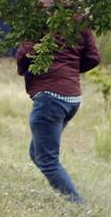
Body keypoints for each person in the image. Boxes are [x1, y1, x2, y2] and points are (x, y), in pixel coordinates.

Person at [17, 18, 100, 203]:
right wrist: (69, 70)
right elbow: (93, 57)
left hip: (50, 98)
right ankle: (66, 196)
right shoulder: (78, 18)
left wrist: (28, 70)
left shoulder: (38, 16)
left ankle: (78, 206)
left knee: (47, 160)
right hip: (72, 98)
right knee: (37, 153)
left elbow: (24, 55)